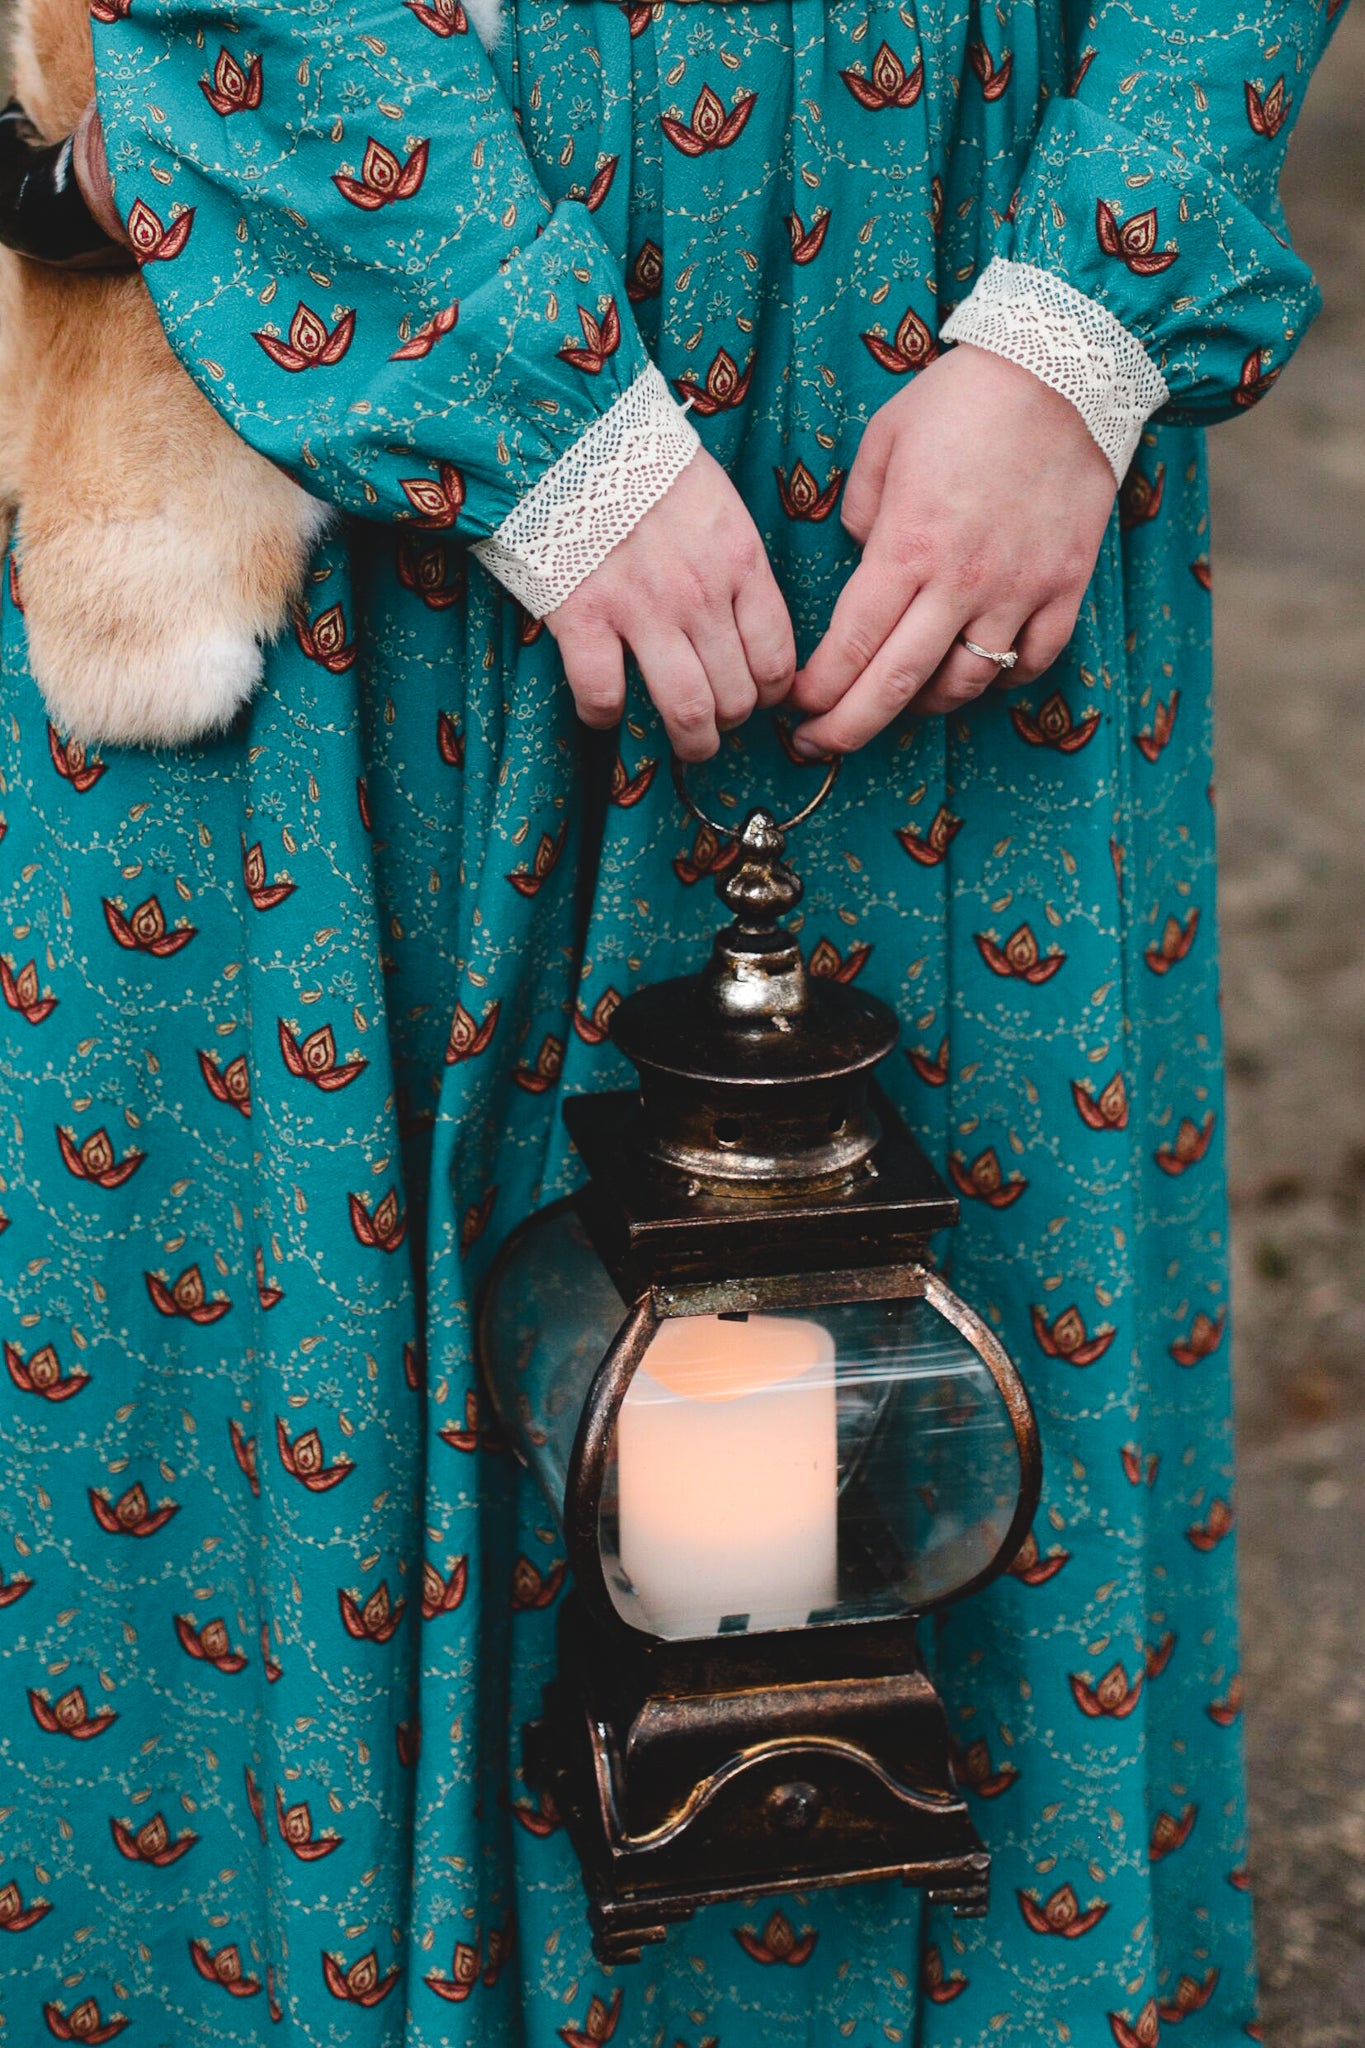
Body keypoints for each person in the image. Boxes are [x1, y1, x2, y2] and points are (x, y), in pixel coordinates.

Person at [0, 0, 1347, 2039]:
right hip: (340, 290)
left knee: (918, 1328)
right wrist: (500, 360)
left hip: (961, 313)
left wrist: (1084, 311)